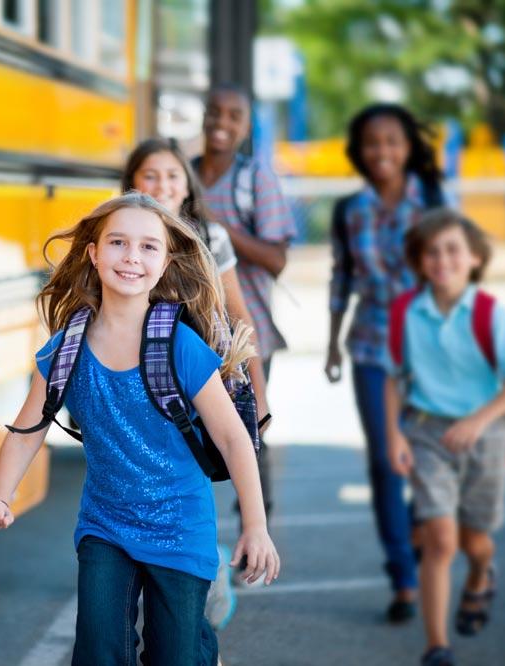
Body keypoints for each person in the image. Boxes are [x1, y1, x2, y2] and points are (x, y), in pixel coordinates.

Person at [0, 192, 280, 665]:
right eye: (118, 242)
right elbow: (28, 428)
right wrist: (0, 493)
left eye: (148, 247)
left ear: (164, 263)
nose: (131, 257)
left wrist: (256, 526)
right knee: (97, 652)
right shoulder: (65, 350)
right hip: (106, 526)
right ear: (94, 253)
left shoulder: (178, 344)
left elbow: (233, 438)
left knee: (175, 656)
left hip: (180, 529)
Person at [122, 138, 271, 626]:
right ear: (131, 183)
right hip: (132, 387)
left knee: (187, 491)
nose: (161, 184)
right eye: (150, 175)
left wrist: (259, 397)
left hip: (193, 385)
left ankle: (203, 584)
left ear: (188, 185)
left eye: (172, 175)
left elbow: (237, 317)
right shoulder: (114, 234)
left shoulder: (208, 237)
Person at [326, 103, 452, 622]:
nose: (383, 152)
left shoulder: (433, 202)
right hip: (373, 347)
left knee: (425, 456)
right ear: (360, 150)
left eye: (393, 142)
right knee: (383, 461)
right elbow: (342, 277)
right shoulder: (348, 209)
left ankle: (420, 533)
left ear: (408, 147)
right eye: (373, 143)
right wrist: (332, 342)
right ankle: (403, 574)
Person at [385, 210, 505, 666]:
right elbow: (394, 378)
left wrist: (480, 421)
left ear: (474, 257)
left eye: (453, 249)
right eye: (431, 252)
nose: (442, 260)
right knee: (440, 539)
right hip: (427, 433)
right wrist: (394, 437)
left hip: (485, 431)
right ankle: (437, 647)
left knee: (476, 540)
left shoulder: (490, 314)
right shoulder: (405, 312)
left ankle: (481, 576)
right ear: (419, 261)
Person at [193, 83, 295, 528]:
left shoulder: (256, 179)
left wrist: (216, 228)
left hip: (243, 332)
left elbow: (276, 260)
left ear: (246, 125)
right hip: (188, 331)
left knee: (248, 426)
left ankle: (258, 522)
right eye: (215, 112)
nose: (221, 122)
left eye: (234, 115)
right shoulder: (184, 173)